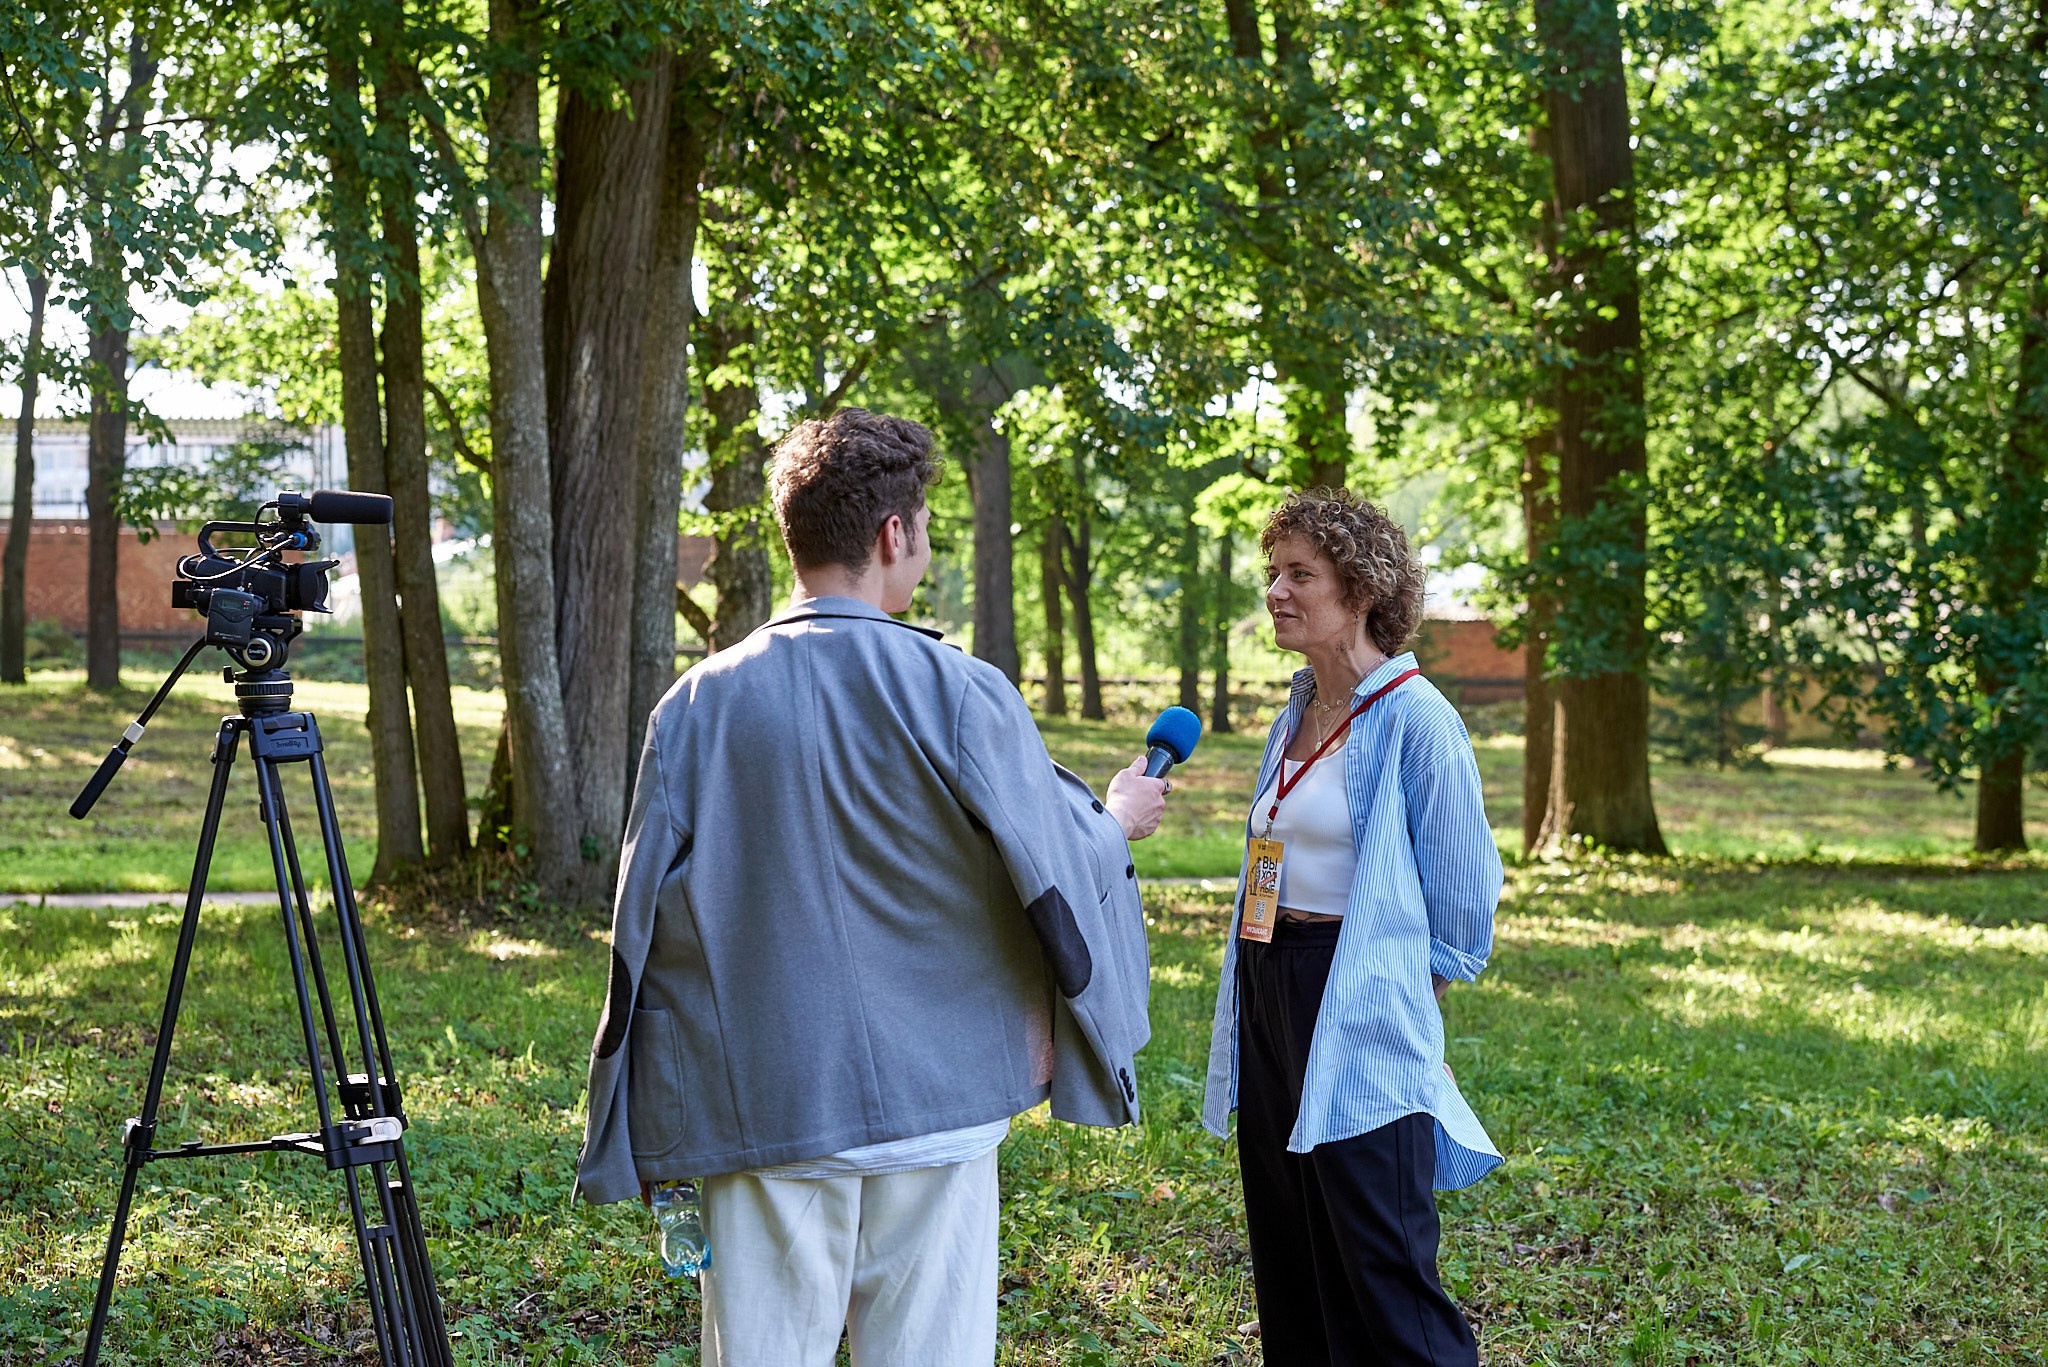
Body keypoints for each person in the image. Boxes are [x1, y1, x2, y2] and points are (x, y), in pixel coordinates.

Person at [577, 407, 1168, 1367]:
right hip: (940, 1105)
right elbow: (1054, 870)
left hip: (760, 1102)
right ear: (894, 534)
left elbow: (637, 919)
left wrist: (632, 1114)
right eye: (926, 526)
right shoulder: (961, 689)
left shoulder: (695, 706)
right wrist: (1118, 819)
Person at [1201, 488, 1502, 1366]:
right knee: (1290, 1253)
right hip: (1269, 984)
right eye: (1273, 573)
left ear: (1362, 590)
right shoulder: (1294, 711)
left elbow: (1462, 902)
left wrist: (1405, 1013)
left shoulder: (1419, 720)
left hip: (1357, 991)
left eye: (1302, 574)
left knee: (1381, 1266)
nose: (1277, 591)